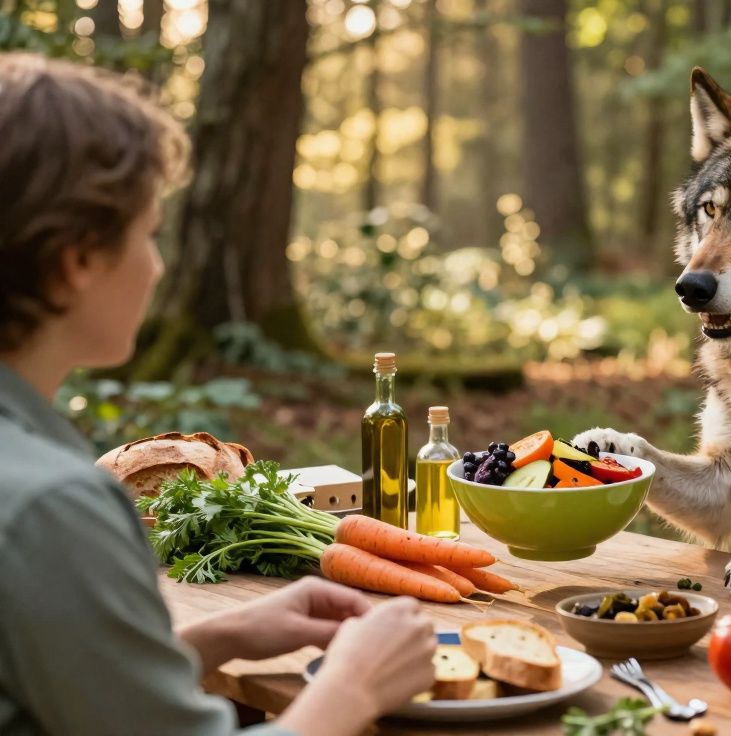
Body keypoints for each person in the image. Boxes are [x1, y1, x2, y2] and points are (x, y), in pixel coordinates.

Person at [0, 54, 437, 735]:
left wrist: (217, 638)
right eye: (147, 234)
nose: (159, 266)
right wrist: (355, 686)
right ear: (75, 262)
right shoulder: (51, 507)